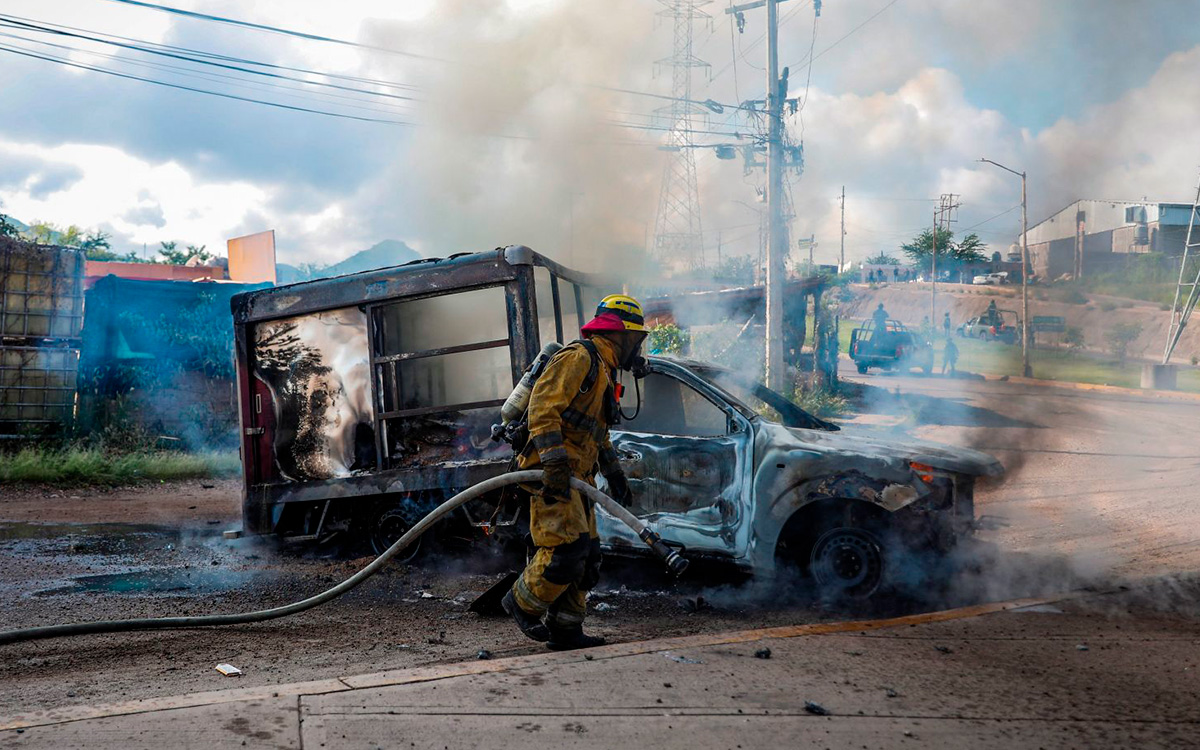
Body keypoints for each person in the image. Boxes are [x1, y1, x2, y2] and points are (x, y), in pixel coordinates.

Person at [502, 294, 645, 651]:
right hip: (552, 474)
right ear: (623, 334)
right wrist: (553, 464)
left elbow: (597, 433)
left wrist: (615, 475)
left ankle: (567, 629)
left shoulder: (604, 370)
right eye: (636, 339)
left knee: (589, 556)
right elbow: (542, 409)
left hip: (579, 478)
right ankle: (520, 602)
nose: (637, 349)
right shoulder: (580, 358)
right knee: (567, 549)